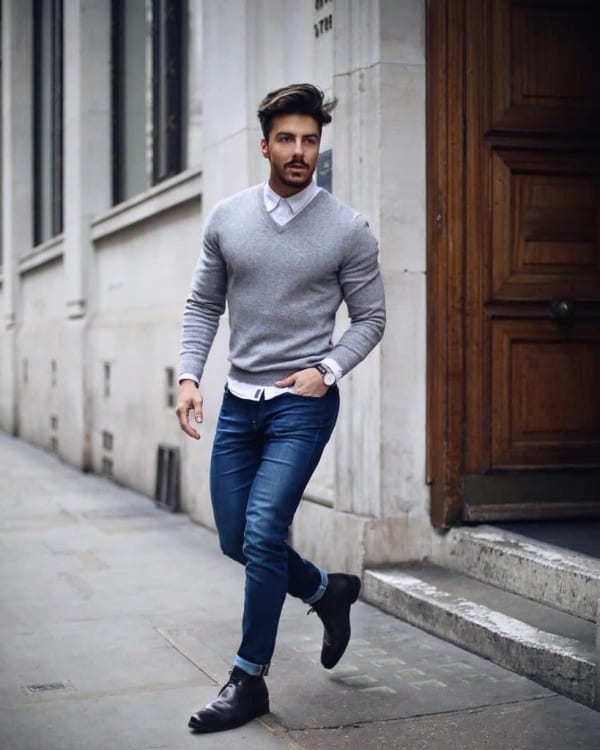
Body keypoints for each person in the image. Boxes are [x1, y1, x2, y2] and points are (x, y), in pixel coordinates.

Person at [176, 83, 386, 734]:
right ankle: (329, 592)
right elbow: (204, 305)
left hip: (302, 404)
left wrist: (327, 371)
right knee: (238, 540)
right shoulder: (228, 219)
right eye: (288, 139)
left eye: (311, 141)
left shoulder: (348, 229)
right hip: (240, 405)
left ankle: (248, 678)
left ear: (320, 147)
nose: (300, 152)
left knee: (265, 532)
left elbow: (371, 318)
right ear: (264, 144)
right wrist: (188, 376)